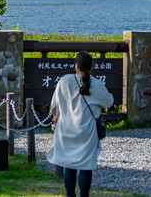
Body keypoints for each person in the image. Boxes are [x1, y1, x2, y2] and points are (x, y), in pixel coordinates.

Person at [47, 51, 114, 197]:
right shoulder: (97, 84)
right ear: (91, 66)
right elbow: (109, 102)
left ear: (76, 65)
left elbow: (54, 104)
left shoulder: (64, 81)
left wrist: (55, 121)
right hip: (87, 131)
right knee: (85, 166)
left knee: (68, 166)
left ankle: (70, 195)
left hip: (65, 128)